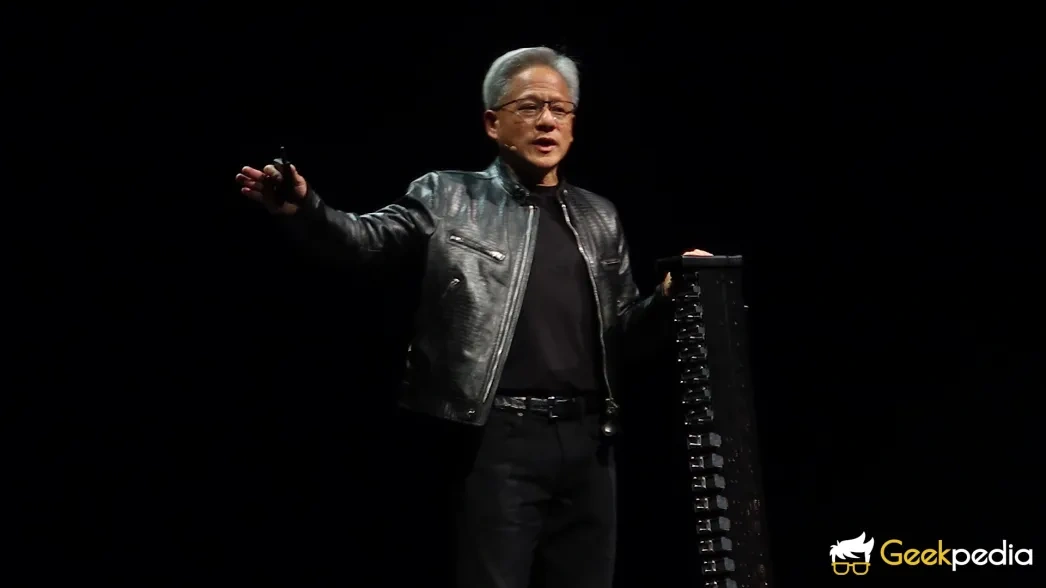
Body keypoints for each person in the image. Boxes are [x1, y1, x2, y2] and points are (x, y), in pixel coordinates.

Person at [236, 46, 710, 588]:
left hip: (590, 441)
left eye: (560, 109)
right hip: (497, 438)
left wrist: (668, 298)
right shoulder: (449, 195)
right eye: (530, 106)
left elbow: (622, 334)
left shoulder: (599, 215)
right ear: (492, 122)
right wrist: (307, 210)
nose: (547, 120)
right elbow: (364, 241)